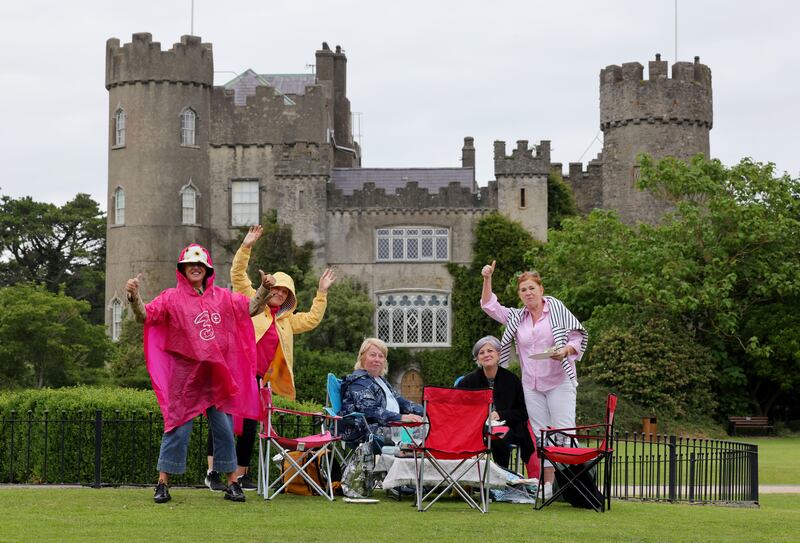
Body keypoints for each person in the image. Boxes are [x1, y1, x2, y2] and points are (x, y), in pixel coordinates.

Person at [125, 243, 271, 504]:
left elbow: (250, 308)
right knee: (176, 428)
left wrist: (264, 289)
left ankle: (232, 483)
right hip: (185, 376)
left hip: (216, 375)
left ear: (207, 269)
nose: (195, 268)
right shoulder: (170, 297)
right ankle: (162, 484)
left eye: (200, 264)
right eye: (190, 264)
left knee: (225, 430)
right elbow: (145, 317)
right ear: (183, 269)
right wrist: (135, 297)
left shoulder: (223, 297)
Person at [205, 224, 336, 491]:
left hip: (256, 380)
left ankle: (241, 475)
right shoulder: (253, 300)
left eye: (284, 291)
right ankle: (213, 473)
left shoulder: (288, 321)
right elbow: (238, 275)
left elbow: (312, 319)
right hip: (234, 371)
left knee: (250, 427)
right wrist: (247, 246)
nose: (278, 293)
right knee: (224, 422)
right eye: (275, 288)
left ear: (289, 296)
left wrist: (321, 292)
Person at [480, 260, 588, 499]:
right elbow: (489, 305)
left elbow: (577, 336)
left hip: (559, 380)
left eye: (531, 288)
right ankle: (548, 485)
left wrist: (567, 351)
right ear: (520, 295)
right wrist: (487, 278)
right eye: (523, 290)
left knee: (564, 432)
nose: (528, 293)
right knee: (541, 434)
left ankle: (576, 484)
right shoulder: (518, 317)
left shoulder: (557, 309)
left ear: (540, 289)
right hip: (532, 384)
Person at [457, 335, 538, 480]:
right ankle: (469, 480)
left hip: (507, 429)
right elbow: (458, 410)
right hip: (476, 429)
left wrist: (500, 414)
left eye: (490, 351)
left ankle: (502, 479)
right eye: (481, 352)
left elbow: (523, 412)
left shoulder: (512, 380)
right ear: (477, 359)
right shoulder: (467, 382)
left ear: (499, 354)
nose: (486, 355)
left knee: (499, 437)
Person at [339, 338, 423, 447]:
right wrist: (402, 417)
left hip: (391, 427)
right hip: (365, 431)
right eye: (373, 355)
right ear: (362, 357)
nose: (377, 359)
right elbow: (370, 410)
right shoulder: (358, 381)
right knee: (420, 437)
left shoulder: (380, 380)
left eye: (381, 356)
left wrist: (429, 411)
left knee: (428, 430)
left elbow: (403, 403)